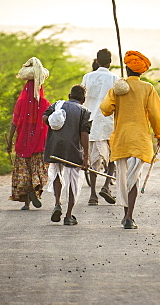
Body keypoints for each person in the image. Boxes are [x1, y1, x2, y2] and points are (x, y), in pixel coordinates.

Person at [99, 50, 160, 230]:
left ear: (127, 70)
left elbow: (105, 109)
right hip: (140, 140)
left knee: (122, 178)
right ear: (141, 72)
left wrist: (117, 94)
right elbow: (155, 114)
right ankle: (129, 217)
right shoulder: (148, 88)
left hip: (121, 139)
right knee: (133, 178)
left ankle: (125, 215)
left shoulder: (118, 87)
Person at [6, 57, 51, 210]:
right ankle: (35, 192)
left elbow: (14, 122)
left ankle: (26, 203)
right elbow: (49, 124)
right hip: (39, 141)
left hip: (23, 140)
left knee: (25, 171)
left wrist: (9, 141)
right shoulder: (45, 104)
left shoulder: (20, 103)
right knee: (36, 169)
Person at [43, 85, 92, 226]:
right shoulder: (85, 112)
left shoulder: (57, 105)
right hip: (73, 149)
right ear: (83, 99)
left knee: (57, 173)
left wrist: (53, 123)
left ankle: (57, 202)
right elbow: (84, 134)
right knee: (73, 180)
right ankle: (69, 215)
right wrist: (86, 157)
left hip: (54, 146)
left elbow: (45, 118)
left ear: (69, 95)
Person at [81, 48, 117, 205]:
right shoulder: (115, 78)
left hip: (89, 122)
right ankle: (106, 186)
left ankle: (93, 195)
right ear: (110, 62)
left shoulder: (87, 77)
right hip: (108, 122)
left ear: (97, 60)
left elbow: (82, 97)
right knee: (113, 156)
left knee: (91, 158)